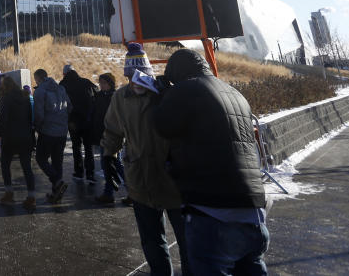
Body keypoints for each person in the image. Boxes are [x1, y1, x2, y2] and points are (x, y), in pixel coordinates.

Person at [153, 48, 269, 275]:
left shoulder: (186, 89)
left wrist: (163, 97)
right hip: (253, 211)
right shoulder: (235, 93)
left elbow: (162, 125)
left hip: (212, 211)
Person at [100, 45, 189, 276]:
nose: (135, 81)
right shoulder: (120, 97)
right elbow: (112, 130)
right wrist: (108, 155)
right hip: (140, 179)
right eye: (130, 76)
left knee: (188, 240)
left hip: (173, 179)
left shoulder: (167, 93)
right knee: (151, 241)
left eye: (140, 75)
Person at [0, 76, 37, 210]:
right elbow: (31, 118)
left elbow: (3, 119)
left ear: (5, 87)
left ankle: (9, 194)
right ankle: (31, 197)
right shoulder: (26, 97)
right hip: (25, 137)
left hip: (10, 138)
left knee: (5, 165)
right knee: (27, 167)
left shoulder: (6, 99)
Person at [32, 68, 71, 203]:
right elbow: (69, 107)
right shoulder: (61, 89)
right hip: (62, 132)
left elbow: (39, 114)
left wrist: (37, 127)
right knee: (57, 161)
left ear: (38, 78)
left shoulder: (40, 91)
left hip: (48, 131)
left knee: (40, 158)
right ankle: (56, 194)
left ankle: (57, 182)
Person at [59, 64, 99, 181]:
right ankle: (90, 173)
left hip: (73, 122)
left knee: (76, 147)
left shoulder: (63, 85)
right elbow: (96, 93)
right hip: (87, 120)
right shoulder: (86, 82)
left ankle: (79, 172)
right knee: (88, 147)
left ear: (64, 74)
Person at [91, 73, 124, 202]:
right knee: (106, 165)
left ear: (110, 83)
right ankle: (108, 193)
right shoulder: (99, 96)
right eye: (100, 83)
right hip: (102, 135)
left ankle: (132, 191)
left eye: (104, 83)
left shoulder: (116, 97)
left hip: (113, 136)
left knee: (117, 164)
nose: (101, 85)